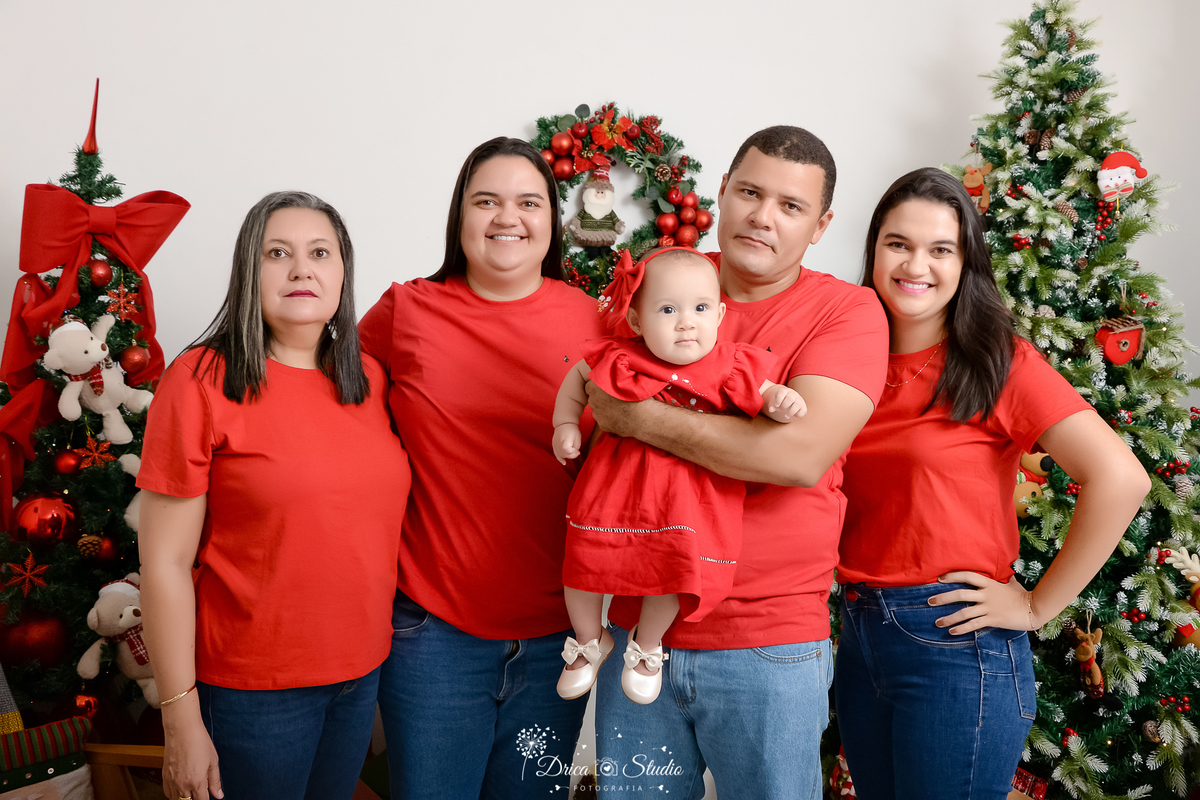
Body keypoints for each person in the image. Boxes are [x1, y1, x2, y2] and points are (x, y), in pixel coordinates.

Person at [586, 125, 889, 798]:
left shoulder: (847, 312)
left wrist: (640, 419)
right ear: (721, 191)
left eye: (791, 206)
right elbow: (590, 414)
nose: (762, 215)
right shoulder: (657, 285)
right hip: (638, 631)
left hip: (768, 645)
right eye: (750, 192)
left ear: (820, 225)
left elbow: (797, 458)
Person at [835, 167, 1149, 799]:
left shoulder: (995, 360)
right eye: (898, 244)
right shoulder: (843, 360)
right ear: (873, 250)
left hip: (955, 645)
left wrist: (1037, 606)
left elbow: (1120, 477)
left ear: (965, 262)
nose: (914, 264)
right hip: (857, 633)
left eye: (940, 249)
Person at [138, 191, 411, 800]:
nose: (301, 269)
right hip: (252, 689)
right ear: (247, 271)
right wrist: (180, 717)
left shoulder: (369, 379)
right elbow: (163, 563)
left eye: (321, 253)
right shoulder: (200, 380)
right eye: (277, 253)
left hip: (359, 675)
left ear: (343, 272)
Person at [358, 137, 606, 800]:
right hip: (434, 634)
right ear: (459, 215)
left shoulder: (596, 322)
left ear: (551, 220)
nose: (507, 217)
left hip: (560, 634)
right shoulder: (405, 312)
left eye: (528, 202)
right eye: (486, 200)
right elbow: (326, 411)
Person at [552, 246, 806, 705]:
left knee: (675, 571)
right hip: (613, 490)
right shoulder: (622, 356)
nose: (686, 321)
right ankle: (589, 640)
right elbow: (578, 378)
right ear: (636, 321)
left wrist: (780, 401)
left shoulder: (730, 364)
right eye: (667, 309)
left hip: (687, 501)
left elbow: (766, 393)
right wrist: (565, 424)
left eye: (701, 309)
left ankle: (648, 643)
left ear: (721, 314)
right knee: (583, 562)